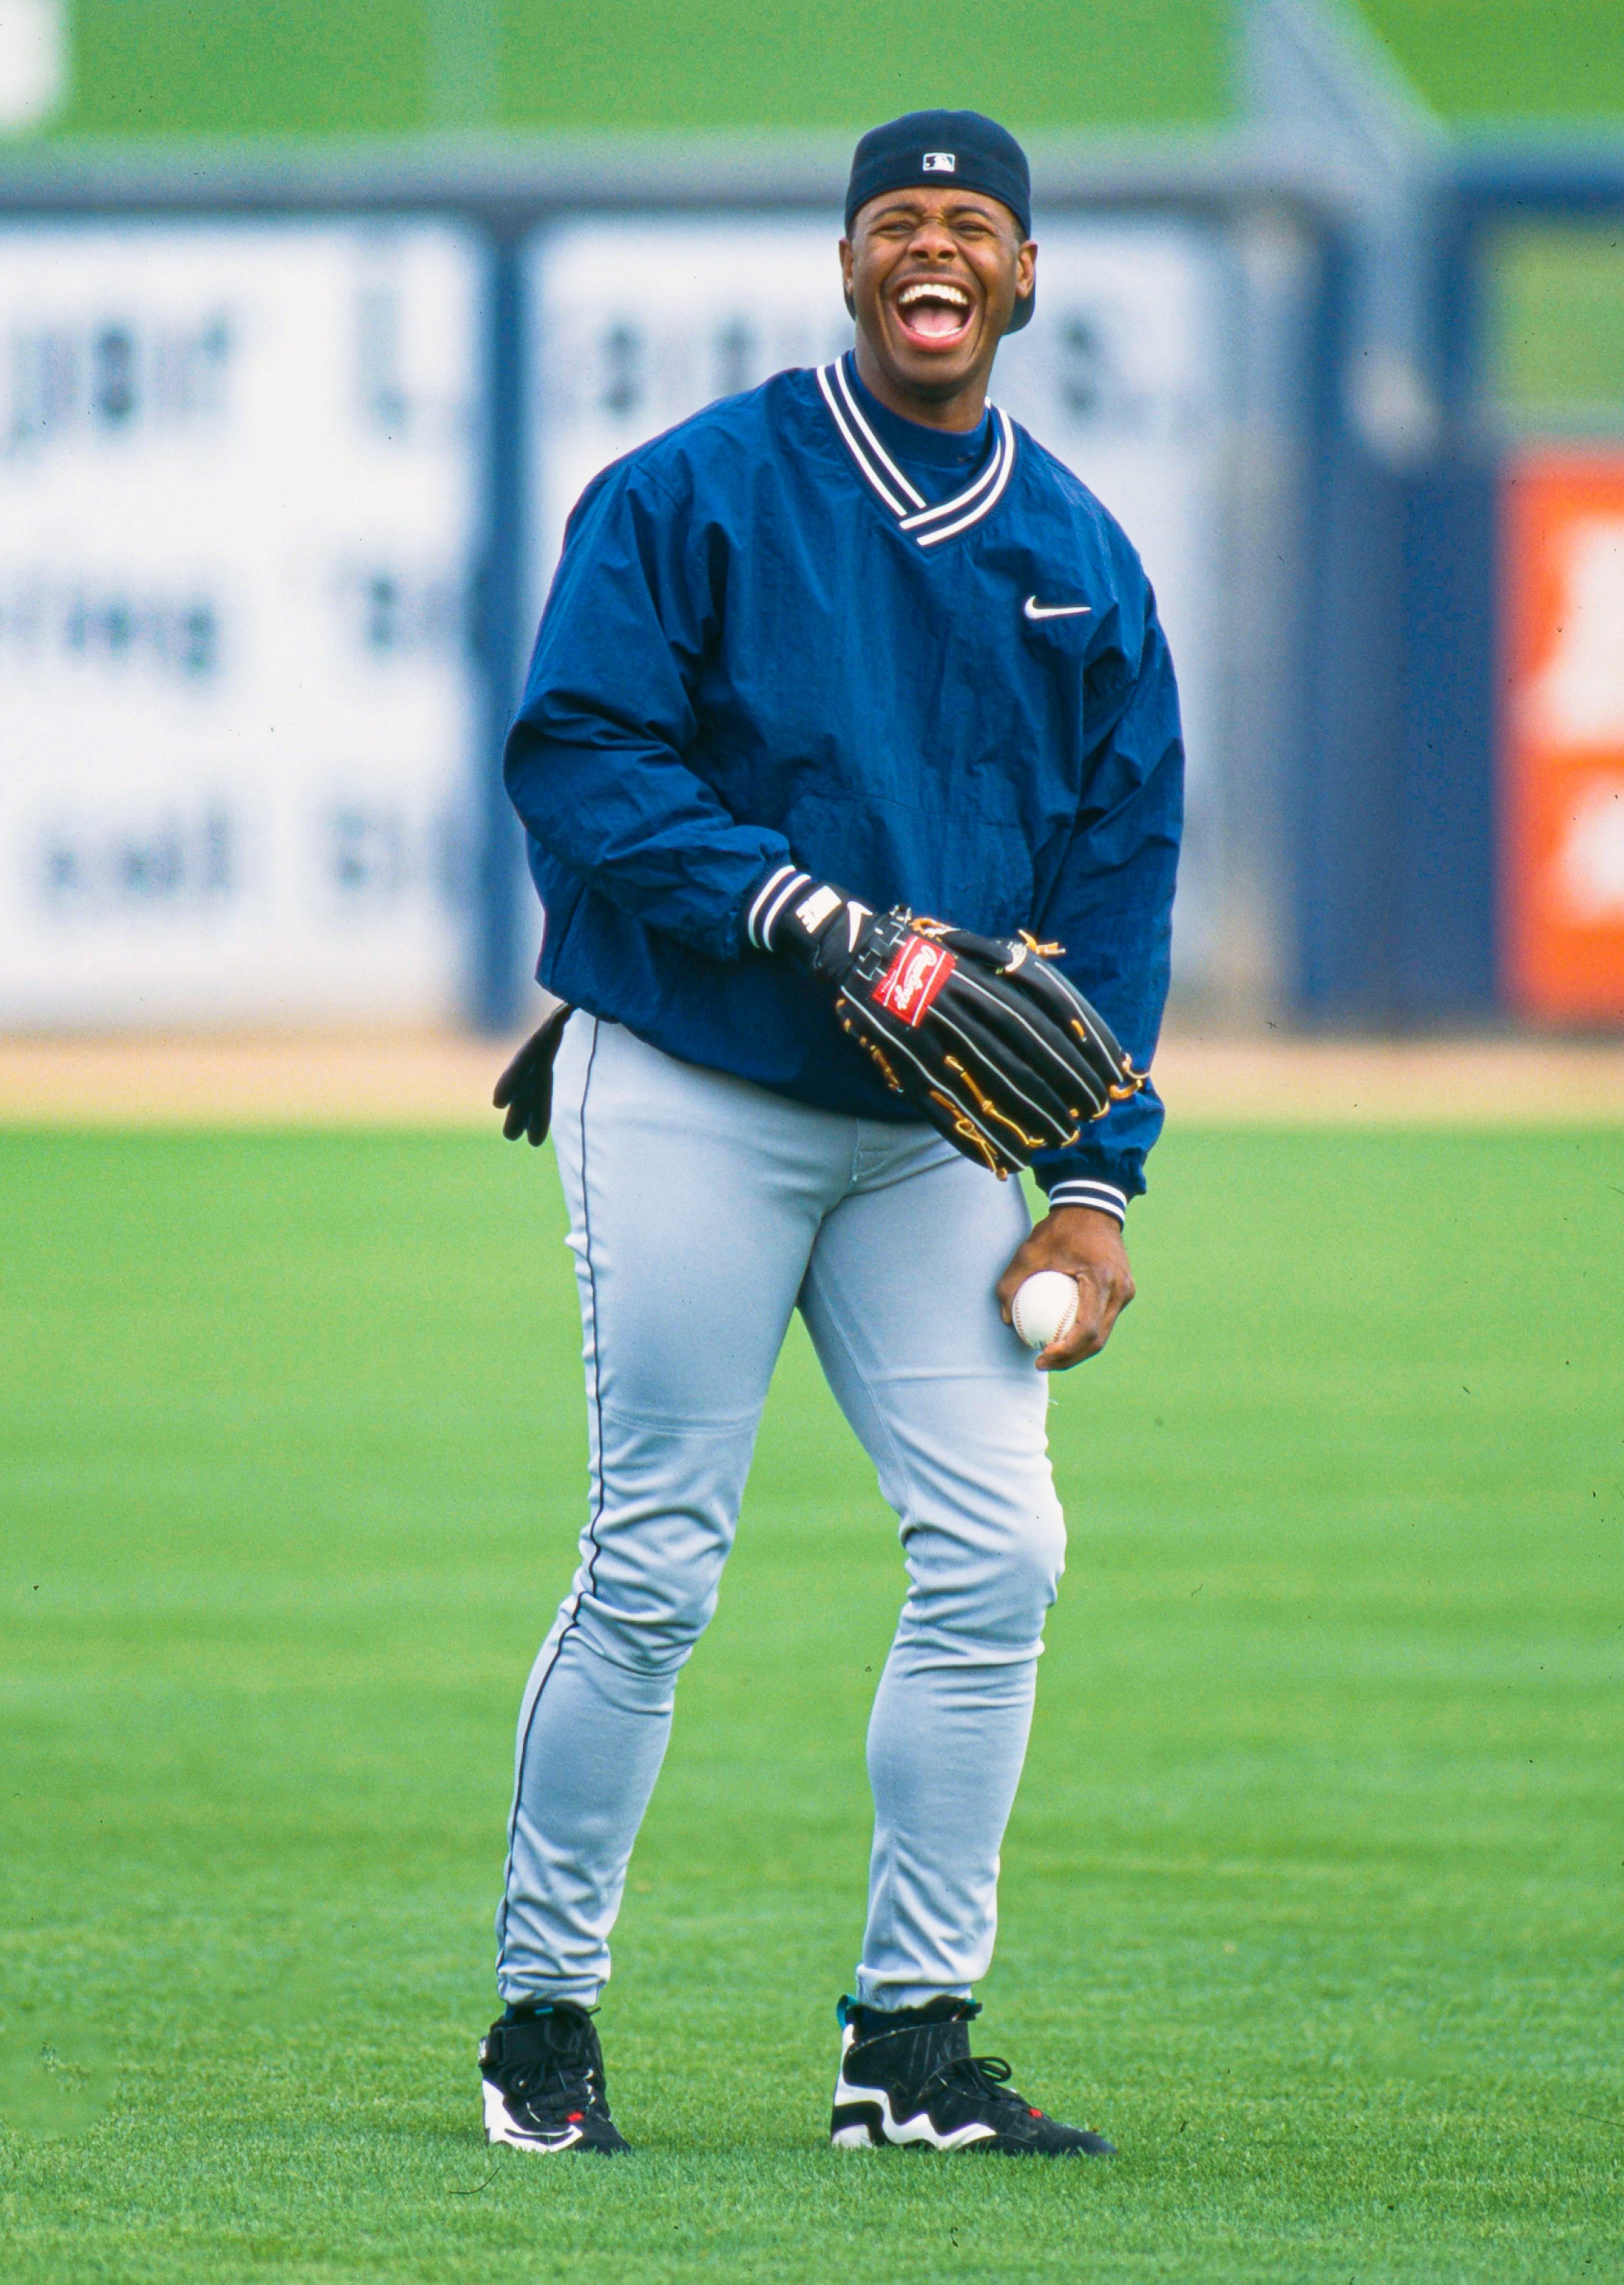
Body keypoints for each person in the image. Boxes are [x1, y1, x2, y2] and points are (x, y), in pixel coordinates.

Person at [476, 108, 1182, 2159]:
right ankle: (543, 2022)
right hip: (694, 1074)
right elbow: (578, 756)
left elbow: (1115, 897)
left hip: (928, 1140)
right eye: (898, 224)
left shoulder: (1079, 556)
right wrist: (804, 911)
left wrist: (1092, 1181)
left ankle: (908, 2042)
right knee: (656, 1566)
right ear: (852, 267)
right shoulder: (696, 491)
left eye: (973, 226)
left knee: (1001, 1550)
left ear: (1025, 278)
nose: (934, 251)